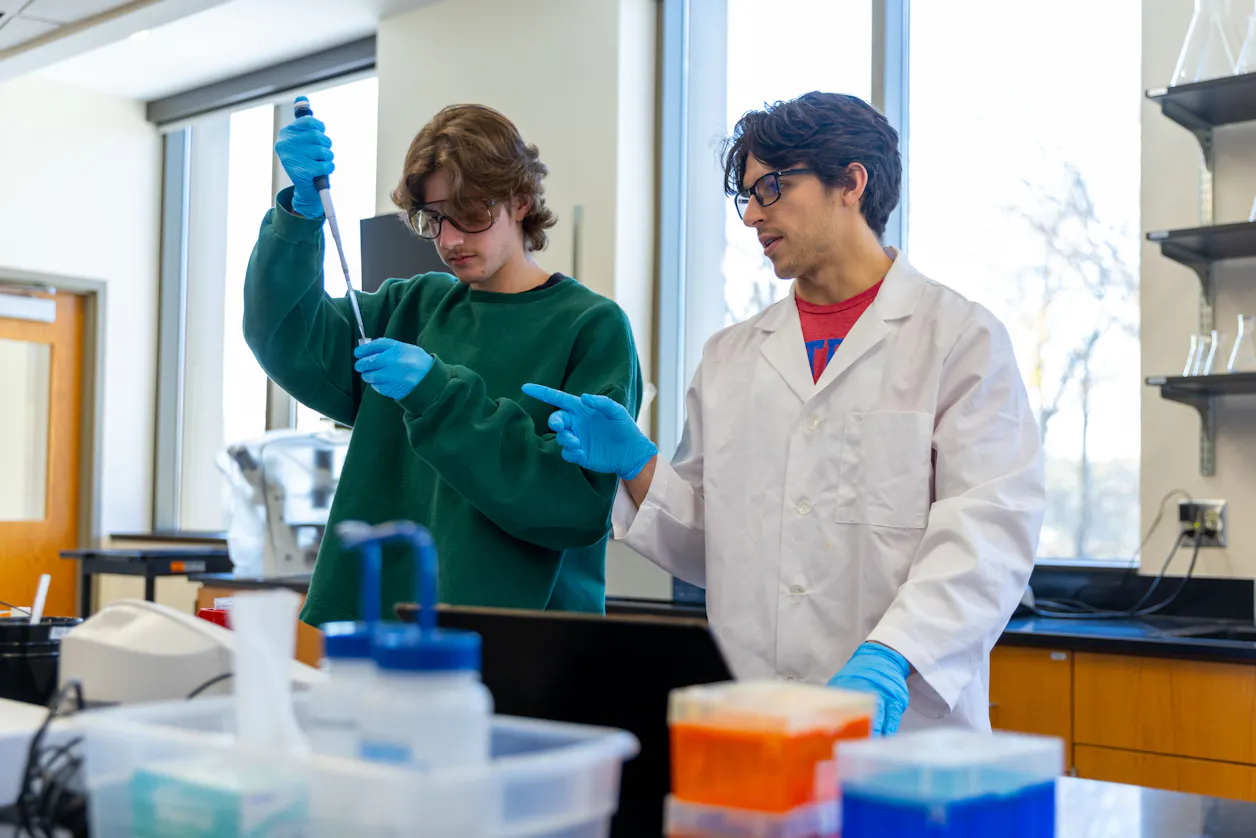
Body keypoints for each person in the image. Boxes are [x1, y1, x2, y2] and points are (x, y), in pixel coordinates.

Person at [524, 92, 1045, 735]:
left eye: (770, 188)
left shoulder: (959, 338)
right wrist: (639, 463)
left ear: (850, 182)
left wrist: (892, 655)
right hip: (757, 723)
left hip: (906, 729)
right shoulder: (730, 358)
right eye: (746, 196)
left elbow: (988, 532)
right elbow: (714, 545)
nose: (751, 216)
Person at [245, 100, 644, 628]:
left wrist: (438, 393)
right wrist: (298, 218)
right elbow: (283, 333)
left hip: (521, 642)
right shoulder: (409, 308)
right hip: (379, 625)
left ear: (521, 201)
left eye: (472, 213)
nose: (450, 240)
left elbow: (571, 505)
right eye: (434, 219)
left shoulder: (590, 327)